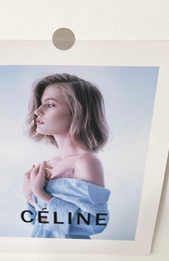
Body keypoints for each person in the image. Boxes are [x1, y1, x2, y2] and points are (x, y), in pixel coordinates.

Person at [22, 73, 110, 238]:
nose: (37, 111)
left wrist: (40, 193)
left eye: (50, 105)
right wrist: (30, 197)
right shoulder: (51, 162)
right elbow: (40, 224)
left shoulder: (86, 162)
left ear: (77, 112)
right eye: (40, 104)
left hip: (71, 252)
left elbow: (96, 223)